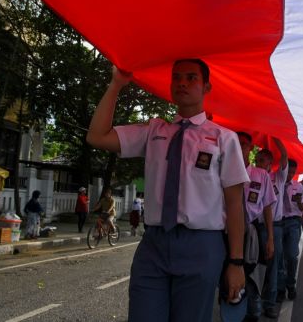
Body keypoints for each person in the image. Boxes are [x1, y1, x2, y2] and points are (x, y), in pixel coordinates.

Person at [86, 60, 248, 322]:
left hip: (202, 245)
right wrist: (116, 85)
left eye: (191, 78)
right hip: (155, 244)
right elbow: (96, 136)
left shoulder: (223, 138)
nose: (182, 83)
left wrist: (236, 262)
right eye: (176, 78)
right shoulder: (154, 131)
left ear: (206, 86)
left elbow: (234, 204)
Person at [230, 131, 276, 322]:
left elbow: (266, 208)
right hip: (228, 231)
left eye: (244, 144)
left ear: (250, 149)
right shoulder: (224, 170)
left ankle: (254, 313)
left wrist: (271, 238)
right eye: (236, 143)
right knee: (230, 275)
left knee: (254, 274)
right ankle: (232, 312)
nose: (240, 147)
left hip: (254, 231)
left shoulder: (261, 175)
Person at [254, 138, 288, 318]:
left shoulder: (278, 177)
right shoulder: (252, 176)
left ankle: (270, 303)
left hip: (274, 227)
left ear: (270, 163)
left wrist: (276, 138)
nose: (257, 163)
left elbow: (284, 155)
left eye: (261, 160)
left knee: (272, 266)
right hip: (256, 227)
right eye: (256, 160)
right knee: (256, 266)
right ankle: (254, 302)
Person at [279, 160, 303, 301]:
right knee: (279, 257)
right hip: (277, 223)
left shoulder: (298, 186)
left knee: (291, 255)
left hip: (293, 222)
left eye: (292, 172)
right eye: (288, 171)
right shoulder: (276, 182)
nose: (290, 175)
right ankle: (281, 287)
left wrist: (300, 204)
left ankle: (290, 284)